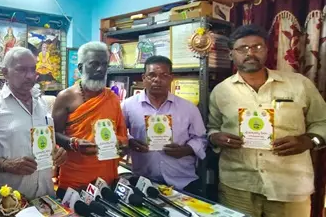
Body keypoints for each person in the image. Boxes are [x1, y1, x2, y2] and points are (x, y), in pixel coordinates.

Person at [208, 24, 326, 217]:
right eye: (242, 49)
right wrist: (215, 138)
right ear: (231, 55)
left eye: (257, 47)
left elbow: (323, 121)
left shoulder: (299, 84)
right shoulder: (220, 92)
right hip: (237, 186)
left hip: (289, 187)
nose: (250, 53)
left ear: (267, 51)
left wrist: (308, 141)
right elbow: (212, 128)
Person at [0, 47, 67, 202]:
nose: (30, 76)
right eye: (22, 70)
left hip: (44, 196)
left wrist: (57, 153)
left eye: (33, 70)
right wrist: (6, 164)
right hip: (7, 201)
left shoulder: (42, 104)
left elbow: (45, 143)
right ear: (5, 73)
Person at [121, 56, 207, 195]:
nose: (157, 80)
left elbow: (201, 139)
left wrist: (186, 149)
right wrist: (130, 141)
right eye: (152, 75)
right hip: (144, 180)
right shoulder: (127, 106)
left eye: (163, 75)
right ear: (144, 78)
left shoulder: (188, 108)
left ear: (171, 78)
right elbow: (118, 132)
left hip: (183, 182)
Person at [52, 41, 128, 196]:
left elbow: (122, 135)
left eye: (104, 64)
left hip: (107, 177)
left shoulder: (112, 98)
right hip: (75, 178)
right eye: (94, 64)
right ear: (80, 68)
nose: (100, 69)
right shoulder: (65, 97)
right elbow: (54, 134)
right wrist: (73, 143)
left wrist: (121, 144)